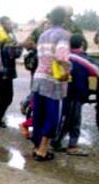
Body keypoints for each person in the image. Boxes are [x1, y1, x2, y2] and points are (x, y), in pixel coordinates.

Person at [51, 33, 99, 156]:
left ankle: (56, 141)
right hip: (76, 93)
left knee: (67, 118)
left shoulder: (67, 56)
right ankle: (72, 146)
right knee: (74, 120)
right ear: (82, 44)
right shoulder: (82, 59)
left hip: (65, 92)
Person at [31, 6, 70, 161]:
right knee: (53, 116)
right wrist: (66, 72)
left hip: (39, 77)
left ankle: (36, 146)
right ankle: (42, 150)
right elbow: (61, 57)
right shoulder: (63, 35)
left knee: (38, 114)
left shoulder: (43, 34)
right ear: (64, 19)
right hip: (53, 80)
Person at [0, 16, 22, 128]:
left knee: (7, 97)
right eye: (7, 23)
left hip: (8, 72)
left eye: (10, 23)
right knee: (4, 97)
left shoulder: (11, 36)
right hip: (1, 72)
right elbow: (9, 52)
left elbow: (16, 53)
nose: (10, 25)